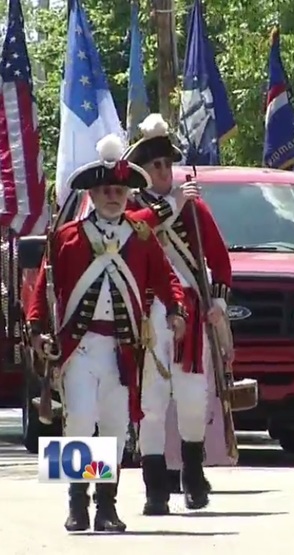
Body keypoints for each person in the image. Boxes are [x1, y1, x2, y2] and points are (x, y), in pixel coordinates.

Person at [25, 134, 187, 532]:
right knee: (79, 419)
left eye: (119, 190)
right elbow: (44, 290)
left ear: (128, 193)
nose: (113, 196)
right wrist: (34, 330)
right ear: (93, 195)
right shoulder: (67, 238)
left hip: (123, 348)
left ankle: (107, 506)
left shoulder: (143, 236)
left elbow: (167, 279)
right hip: (79, 346)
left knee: (115, 425)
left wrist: (177, 311)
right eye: (105, 190)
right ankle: (76, 503)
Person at [123, 113, 233, 513]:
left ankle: (191, 473)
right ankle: (97, 496)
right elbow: (137, 231)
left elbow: (220, 262)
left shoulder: (193, 208)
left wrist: (216, 302)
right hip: (135, 321)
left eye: (169, 164)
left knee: (191, 397)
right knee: (129, 407)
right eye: (157, 165)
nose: (165, 171)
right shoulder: (132, 209)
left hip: (184, 312)